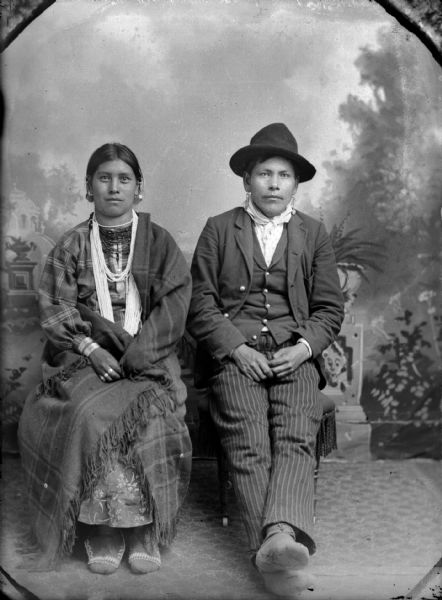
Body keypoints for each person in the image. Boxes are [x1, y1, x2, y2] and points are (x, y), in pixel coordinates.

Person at [18, 143, 192, 575]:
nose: (114, 187)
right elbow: (56, 307)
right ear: (88, 187)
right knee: (86, 414)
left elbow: (173, 308)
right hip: (82, 358)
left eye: (124, 179)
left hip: (148, 357)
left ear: (139, 190)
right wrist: (91, 348)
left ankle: (143, 528)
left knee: (150, 411)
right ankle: (103, 530)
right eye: (104, 178)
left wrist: (138, 353)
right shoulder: (72, 244)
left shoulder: (159, 242)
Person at [187, 123, 345, 597]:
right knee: (247, 435)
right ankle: (279, 548)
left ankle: (277, 537)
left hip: (293, 355)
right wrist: (236, 348)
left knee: (297, 431)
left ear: (296, 184)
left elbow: (329, 309)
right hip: (236, 358)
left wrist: (303, 348)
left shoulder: (313, 234)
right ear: (246, 181)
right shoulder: (219, 229)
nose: (273, 184)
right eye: (263, 174)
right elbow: (200, 304)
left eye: (283, 175)